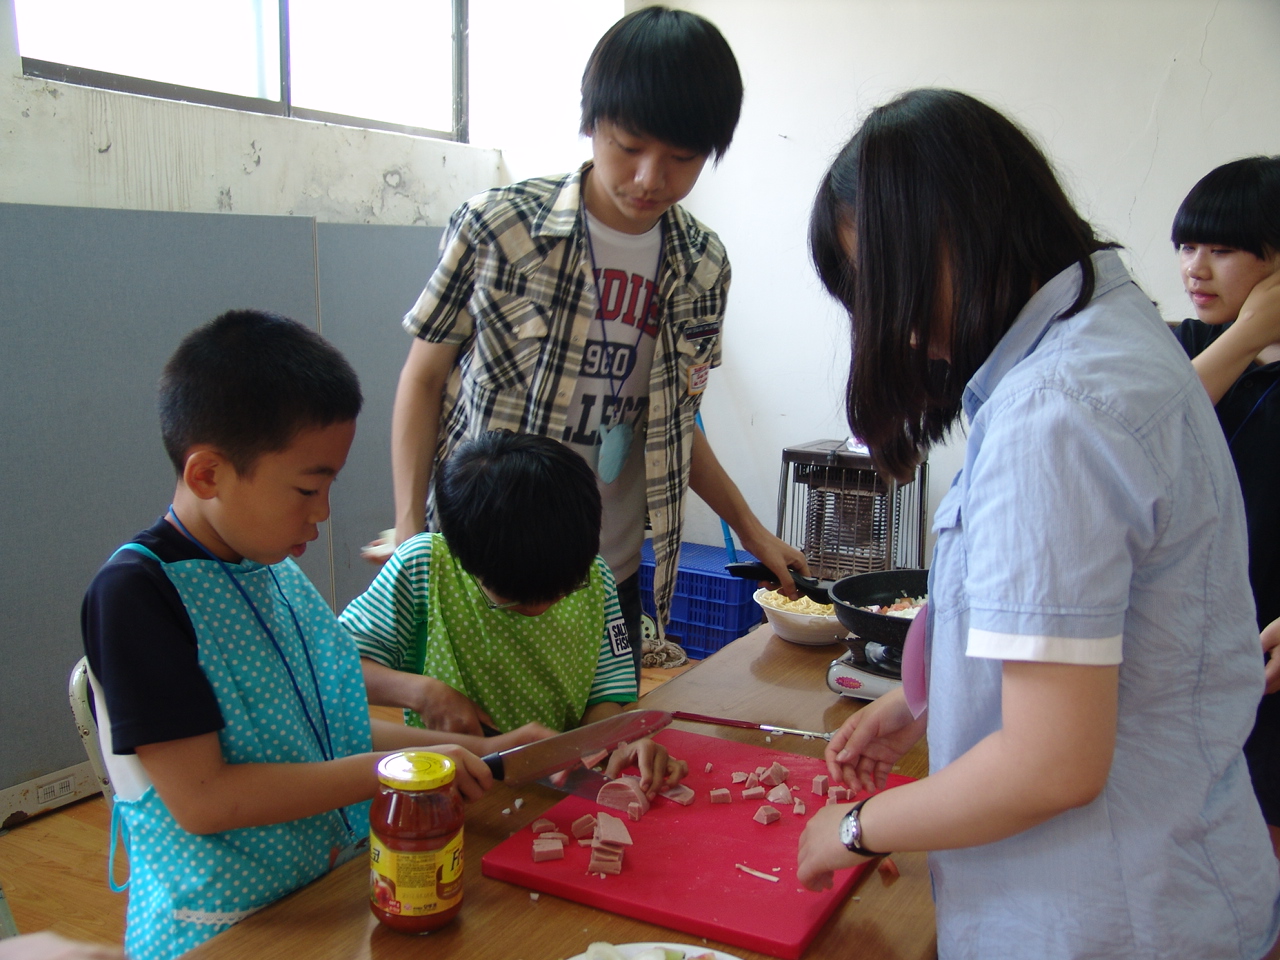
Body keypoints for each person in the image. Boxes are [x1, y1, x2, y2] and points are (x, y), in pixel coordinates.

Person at [796, 89, 1280, 959]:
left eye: (881, 284)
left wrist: (856, 826)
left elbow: (1050, 764)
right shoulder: (1109, 332)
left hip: (1105, 918)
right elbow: (1100, 624)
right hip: (1180, 879)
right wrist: (928, 698)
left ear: (954, 235)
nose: (895, 327)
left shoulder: (1057, 411)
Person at [80, 311, 548, 960]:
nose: (323, 512)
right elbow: (205, 799)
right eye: (307, 488)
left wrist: (485, 749)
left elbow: (334, 726)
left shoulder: (271, 568)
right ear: (208, 474)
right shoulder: (138, 595)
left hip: (334, 891)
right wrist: (405, 771)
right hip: (227, 931)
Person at [385, 5, 807, 678]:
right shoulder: (498, 230)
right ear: (591, 122)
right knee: (464, 735)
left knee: (602, 740)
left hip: (608, 578)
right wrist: (410, 533)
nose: (650, 179)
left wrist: (754, 532)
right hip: (483, 566)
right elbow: (423, 379)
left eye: (682, 158)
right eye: (629, 146)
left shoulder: (702, 266)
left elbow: (674, 428)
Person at [343, 429, 685, 794]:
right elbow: (333, 671)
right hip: (450, 791)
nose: (542, 607)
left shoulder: (595, 576)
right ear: (463, 557)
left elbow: (605, 696)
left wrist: (619, 740)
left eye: (563, 591)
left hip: (554, 788)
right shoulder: (424, 567)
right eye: (514, 600)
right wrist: (423, 692)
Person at [1171, 156, 1280, 856]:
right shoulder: (1184, 348)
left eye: (1223, 249)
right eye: (1187, 246)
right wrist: (1247, 335)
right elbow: (1152, 430)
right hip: (1186, 659)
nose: (1195, 268)